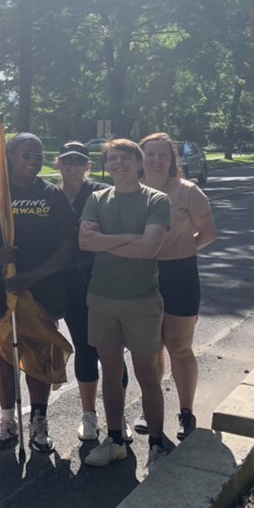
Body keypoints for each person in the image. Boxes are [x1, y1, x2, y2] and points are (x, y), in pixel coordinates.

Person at [0, 133, 75, 454]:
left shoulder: (52, 195)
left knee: (40, 353)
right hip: (0, 288)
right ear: (10, 157)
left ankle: (39, 420)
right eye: (25, 154)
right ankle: (7, 420)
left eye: (38, 153)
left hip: (41, 290)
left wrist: (33, 276)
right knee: (4, 354)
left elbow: (68, 244)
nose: (33, 159)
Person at [80, 139, 170, 473]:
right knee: (111, 372)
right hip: (101, 298)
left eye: (126, 158)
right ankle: (116, 440)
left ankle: (157, 445)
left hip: (142, 300)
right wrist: (130, 238)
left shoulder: (156, 200)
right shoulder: (96, 199)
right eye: (112, 158)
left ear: (139, 162)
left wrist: (107, 241)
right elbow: (84, 242)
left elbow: (149, 249)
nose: (119, 164)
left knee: (147, 374)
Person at [139, 133, 217, 440]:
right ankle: (151, 408)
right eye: (150, 154)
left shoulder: (188, 192)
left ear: (172, 160)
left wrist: (181, 249)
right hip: (142, 276)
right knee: (150, 346)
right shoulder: (132, 192)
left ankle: (186, 412)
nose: (156, 160)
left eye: (163, 155)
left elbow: (208, 233)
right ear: (141, 159)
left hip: (180, 274)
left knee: (179, 346)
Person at [56, 141, 131, 443]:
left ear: (88, 166)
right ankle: (89, 415)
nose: (73, 166)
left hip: (105, 282)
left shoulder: (103, 193)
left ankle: (118, 412)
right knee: (85, 349)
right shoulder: (52, 197)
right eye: (67, 161)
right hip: (70, 286)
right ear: (58, 164)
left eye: (79, 161)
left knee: (112, 351)